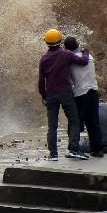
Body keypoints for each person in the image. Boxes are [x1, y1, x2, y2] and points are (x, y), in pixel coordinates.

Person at [39, 29, 90, 160]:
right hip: (66, 93)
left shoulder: (44, 59)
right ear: (60, 40)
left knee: (52, 126)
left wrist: (44, 96)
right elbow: (83, 61)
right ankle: (73, 149)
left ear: (46, 42)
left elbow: (41, 81)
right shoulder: (66, 54)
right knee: (74, 120)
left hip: (51, 95)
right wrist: (86, 52)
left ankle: (53, 154)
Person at [65, 37, 103, 158]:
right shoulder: (89, 57)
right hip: (94, 91)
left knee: (75, 122)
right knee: (93, 122)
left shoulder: (70, 61)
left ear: (66, 48)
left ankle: (74, 148)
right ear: (77, 45)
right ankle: (97, 150)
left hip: (81, 94)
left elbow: (70, 80)